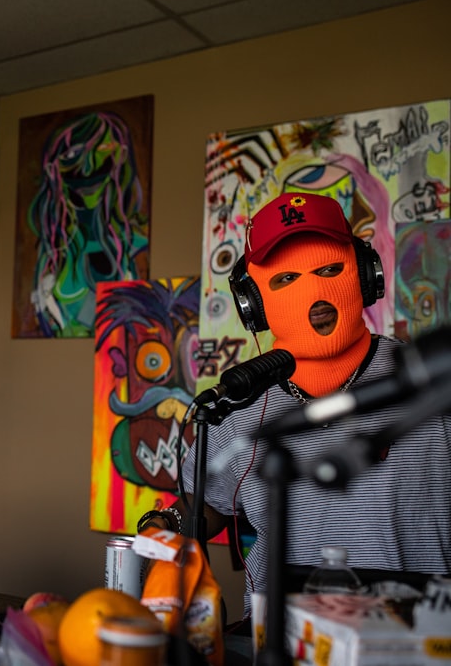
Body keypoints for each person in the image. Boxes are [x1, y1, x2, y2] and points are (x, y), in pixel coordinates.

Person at [138, 192, 451, 618]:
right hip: (280, 641)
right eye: (286, 279)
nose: (315, 294)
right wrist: (165, 526)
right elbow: (204, 506)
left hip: (416, 640)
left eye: (328, 270)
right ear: (253, 303)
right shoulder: (239, 406)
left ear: (365, 274)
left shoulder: (430, 381)